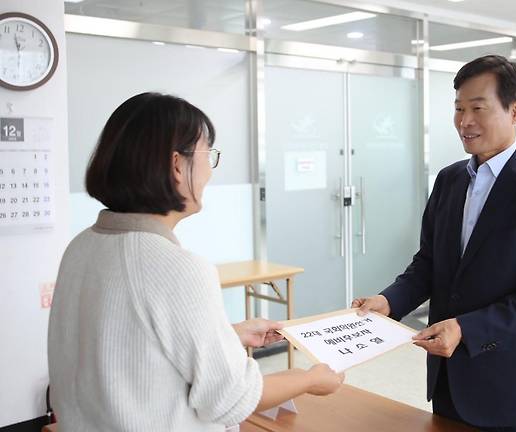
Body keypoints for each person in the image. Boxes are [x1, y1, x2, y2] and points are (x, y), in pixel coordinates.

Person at [48, 92, 344, 431]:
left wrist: (227, 335)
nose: (209, 172)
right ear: (177, 164)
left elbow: (129, 352)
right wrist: (306, 379)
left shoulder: (81, 247)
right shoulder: (177, 267)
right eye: (208, 155)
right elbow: (230, 400)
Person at [352, 55, 516, 431]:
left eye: (477, 108)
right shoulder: (449, 180)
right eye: (458, 108)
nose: (464, 121)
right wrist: (389, 301)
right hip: (448, 377)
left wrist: (466, 329)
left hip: (510, 383)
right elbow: (428, 263)